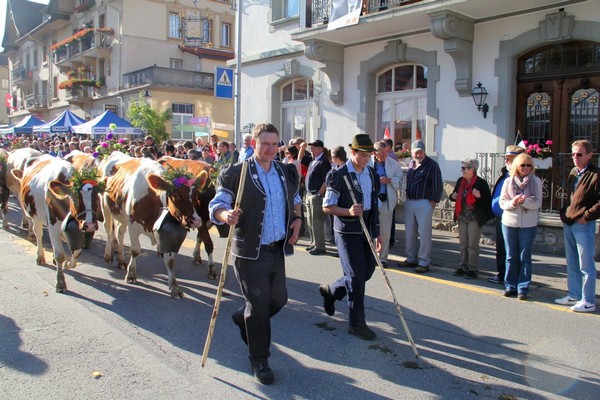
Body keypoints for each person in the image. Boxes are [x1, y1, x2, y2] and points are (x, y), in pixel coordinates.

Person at [208, 123, 302, 384]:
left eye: (275, 144)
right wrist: (225, 215)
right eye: (265, 144)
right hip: (250, 252)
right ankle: (259, 359)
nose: (271, 149)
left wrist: (297, 219)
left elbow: (295, 199)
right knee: (259, 306)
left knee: (279, 299)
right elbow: (217, 204)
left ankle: (243, 317)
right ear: (253, 144)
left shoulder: (284, 171)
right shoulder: (236, 173)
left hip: (277, 248)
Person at [319, 134, 381, 340]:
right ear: (353, 153)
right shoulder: (339, 174)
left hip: (366, 229)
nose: (367, 159)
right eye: (363, 155)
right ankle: (357, 323)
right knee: (355, 277)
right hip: (346, 231)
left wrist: (377, 233)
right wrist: (349, 212)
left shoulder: (372, 174)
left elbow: (374, 204)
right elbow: (327, 206)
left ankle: (332, 291)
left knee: (368, 270)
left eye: (369, 155)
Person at [555, 140, 599, 312]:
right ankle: (574, 294)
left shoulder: (596, 174)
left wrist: (586, 217)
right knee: (571, 261)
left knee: (586, 265)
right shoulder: (574, 172)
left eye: (579, 154)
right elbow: (570, 197)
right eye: (573, 154)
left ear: (589, 155)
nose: (575, 157)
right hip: (569, 221)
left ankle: (588, 300)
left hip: (583, 224)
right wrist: (564, 213)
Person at [499, 153, 542, 300]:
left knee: (525, 256)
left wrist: (525, 202)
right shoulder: (508, 181)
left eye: (528, 165)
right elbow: (502, 203)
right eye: (522, 165)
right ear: (517, 166)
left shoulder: (535, 181)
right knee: (511, 256)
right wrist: (514, 202)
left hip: (528, 225)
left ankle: (522, 287)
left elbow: (537, 203)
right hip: (509, 223)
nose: (525, 168)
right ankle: (510, 286)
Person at [398, 140, 443, 273]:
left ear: (424, 152)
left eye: (421, 152)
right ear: (411, 153)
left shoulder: (432, 165)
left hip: (424, 202)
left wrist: (433, 202)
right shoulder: (411, 164)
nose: (418, 154)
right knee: (410, 232)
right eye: (416, 152)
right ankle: (411, 258)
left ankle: (424, 261)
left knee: (424, 234)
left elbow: (437, 185)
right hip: (410, 202)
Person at [449, 158, 492, 279]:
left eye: (464, 168)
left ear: (472, 169)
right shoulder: (460, 181)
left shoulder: (481, 183)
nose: (461, 170)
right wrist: (452, 196)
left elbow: (487, 201)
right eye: (462, 168)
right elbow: (454, 196)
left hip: (475, 218)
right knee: (463, 244)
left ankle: (472, 269)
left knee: (472, 245)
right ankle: (463, 267)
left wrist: (478, 196)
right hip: (462, 216)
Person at [488, 145, 526, 284]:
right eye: (506, 158)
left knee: (512, 251)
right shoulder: (505, 174)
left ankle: (512, 279)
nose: (506, 161)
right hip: (500, 218)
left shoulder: (521, 177)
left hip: (511, 218)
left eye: (510, 158)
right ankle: (502, 275)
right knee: (501, 249)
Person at [369, 140, 403, 267]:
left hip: (385, 201)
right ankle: (370, 256)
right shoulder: (367, 162)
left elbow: (400, 182)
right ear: (374, 152)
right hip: (370, 201)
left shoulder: (393, 164)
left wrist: (389, 180)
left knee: (384, 231)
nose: (383, 155)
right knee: (370, 229)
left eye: (385, 152)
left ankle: (382, 258)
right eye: (380, 152)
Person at [305, 139, 332, 256]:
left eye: (314, 147)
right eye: (311, 147)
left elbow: (326, 181)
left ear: (320, 149)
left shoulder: (324, 162)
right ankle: (314, 243)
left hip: (317, 195)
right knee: (310, 221)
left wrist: (319, 194)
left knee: (317, 222)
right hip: (309, 193)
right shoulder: (314, 160)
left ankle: (320, 246)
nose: (311, 149)